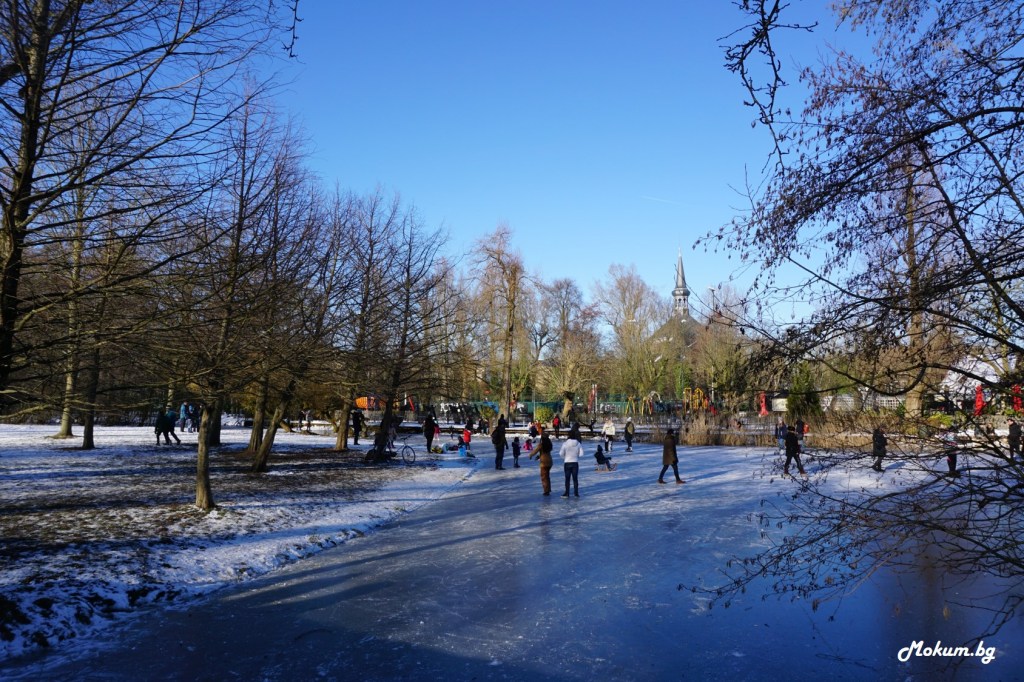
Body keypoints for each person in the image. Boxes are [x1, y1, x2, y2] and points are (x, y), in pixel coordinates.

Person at [559, 427, 583, 497]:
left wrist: (565, 458)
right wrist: (576, 456)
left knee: (567, 479)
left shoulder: (565, 444)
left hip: (567, 463)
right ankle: (576, 493)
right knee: (575, 479)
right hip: (575, 463)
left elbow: (561, 454)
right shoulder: (578, 444)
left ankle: (567, 493)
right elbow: (581, 454)